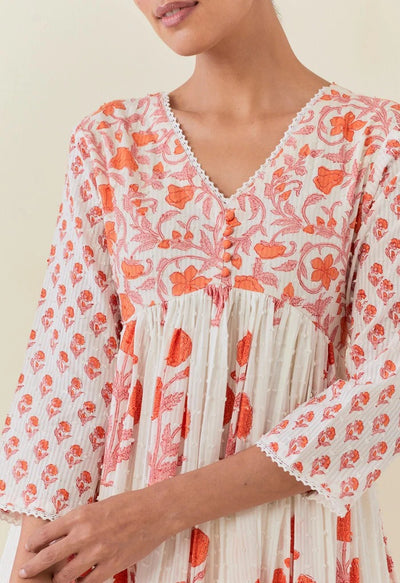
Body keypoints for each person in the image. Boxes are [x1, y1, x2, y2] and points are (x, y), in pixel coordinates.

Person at [0, 0, 399, 581]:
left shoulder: (376, 143)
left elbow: (386, 389)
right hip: (122, 560)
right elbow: (64, 388)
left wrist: (157, 511)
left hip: (302, 550)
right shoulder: (112, 145)